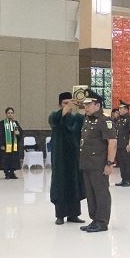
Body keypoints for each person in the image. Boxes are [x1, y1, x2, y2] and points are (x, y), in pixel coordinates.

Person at [78, 90, 117, 233]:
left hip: (99, 164)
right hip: (87, 163)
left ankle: (102, 222)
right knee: (91, 193)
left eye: (89, 104)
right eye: (85, 104)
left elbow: (112, 142)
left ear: (97, 105)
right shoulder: (88, 119)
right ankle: (94, 219)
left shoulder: (104, 120)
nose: (86, 107)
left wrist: (109, 163)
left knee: (101, 193)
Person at [48, 92, 86, 226]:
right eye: (65, 103)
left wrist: (82, 105)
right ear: (60, 104)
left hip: (74, 157)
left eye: (70, 102)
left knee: (74, 184)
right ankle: (60, 215)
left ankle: (73, 214)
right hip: (60, 158)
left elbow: (86, 120)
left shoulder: (76, 119)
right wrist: (67, 107)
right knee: (60, 185)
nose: (68, 105)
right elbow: (56, 120)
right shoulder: (54, 116)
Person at [114, 100, 130, 187]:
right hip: (119, 144)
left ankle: (128, 180)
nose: (119, 110)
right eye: (119, 108)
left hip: (126, 144)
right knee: (121, 162)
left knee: (127, 162)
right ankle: (123, 179)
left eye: (121, 109)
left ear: (126, 110)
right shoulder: (119, 119)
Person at [0, 107, 23, 179]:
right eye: (9, 113)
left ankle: (12, 173)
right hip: (6, 145)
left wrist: (18, 133)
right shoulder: (2, 123)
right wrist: (1, 144)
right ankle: (7, 173)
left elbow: (20, 132)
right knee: (6, 159)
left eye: (12, 113)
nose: (10, 114)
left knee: (13, 159)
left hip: (14, 145)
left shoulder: (15, 123)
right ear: (6, 114)